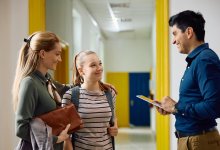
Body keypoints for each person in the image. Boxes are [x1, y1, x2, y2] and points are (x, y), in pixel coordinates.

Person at [156, 10, 220, 150]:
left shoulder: (204, 60)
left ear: (189, 32)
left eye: (175, 34)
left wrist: (176, 107)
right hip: (193, 140)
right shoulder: (197, 60)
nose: (173, 41)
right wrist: (173, 109)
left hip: (199, 142)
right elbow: (195, 102)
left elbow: (214, 106)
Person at [12, 31, 70, 150]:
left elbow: (66, 88)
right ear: (43, 53)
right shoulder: (30, 83)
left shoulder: (47, 80)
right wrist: (56, 139)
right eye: (57, 54)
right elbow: (21, 129)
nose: (60, 59)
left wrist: (97, 83)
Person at [62, 50, 118, 150]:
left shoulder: (110, 93)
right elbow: (65, 135)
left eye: (100, 63)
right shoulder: (71, 96)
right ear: (81, 71)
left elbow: (113, 118)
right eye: (93, 65)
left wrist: (115, 127)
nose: (99, 68)